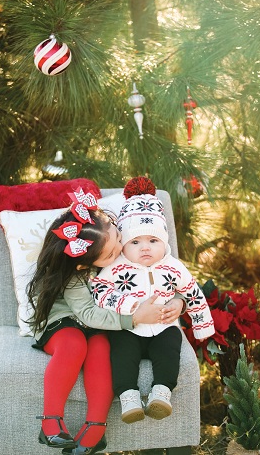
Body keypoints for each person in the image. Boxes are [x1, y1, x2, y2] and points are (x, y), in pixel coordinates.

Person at [26, 187, 184, 455]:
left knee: (101, 350)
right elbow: (88, 314)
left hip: (101, 325)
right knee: (74, 344)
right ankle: (51, 421)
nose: (121, 249)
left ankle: (95, 429)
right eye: (111, 254)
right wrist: (133, 318)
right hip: (66, 320)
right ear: (84, 264)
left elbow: (168, 273)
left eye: (119, 238)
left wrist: (178, 299)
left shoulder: (121, 246)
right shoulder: (77, 276)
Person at [91, 177, 215, 424]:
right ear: (123, 244)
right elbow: (98, 290)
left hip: (163, 327)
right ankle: (128, 396)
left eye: (153, 240)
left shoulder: (173, 267)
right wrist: (128, 306)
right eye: (135, 242)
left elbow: (193, 292)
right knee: (121, 352)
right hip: (130, 328)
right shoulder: (116, 267)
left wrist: (202, 326)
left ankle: (161, 393)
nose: (144, 248)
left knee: (171, 346)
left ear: (164, 241)